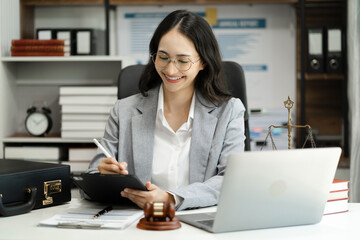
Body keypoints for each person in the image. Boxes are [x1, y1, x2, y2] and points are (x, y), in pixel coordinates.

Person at [87, 10, 246, 211]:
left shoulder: (229, 112)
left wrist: (171, 198)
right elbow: (91, 175)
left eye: (182, 60)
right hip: (138, 222)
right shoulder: (124, 111)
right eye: (163, 57)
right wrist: (102, 174)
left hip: (200, 220)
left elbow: (230, 180)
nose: (170, 70)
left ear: (203, 62)